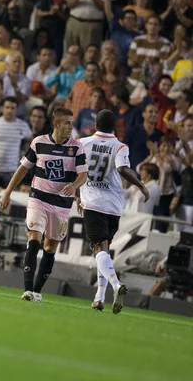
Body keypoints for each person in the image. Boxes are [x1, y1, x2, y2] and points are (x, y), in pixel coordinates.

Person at [0, 108, 88, 303]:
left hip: (62, 205)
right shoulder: (39, 142)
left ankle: (38, 291)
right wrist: (7, 191)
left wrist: (74, 187)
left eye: (72, 123)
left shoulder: (77, 147)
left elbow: (83, 175)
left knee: (50, 247)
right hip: (38, 199)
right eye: (67, 123)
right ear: (56, 124)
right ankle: (28, 290)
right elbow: (23, 168)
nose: (71, 127)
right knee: (34, 239)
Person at [78, 109, 150, 313]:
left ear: (95, 125)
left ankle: (116, 285)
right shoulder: (120, 146)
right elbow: (123, 169)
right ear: (116, 127)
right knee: (104, 248)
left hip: (93, 201)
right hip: (114, 205)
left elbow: (76, 170)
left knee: (98, 248)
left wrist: (76, 193)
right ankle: (99, 297)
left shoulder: (82, 143)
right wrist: (140, 184)